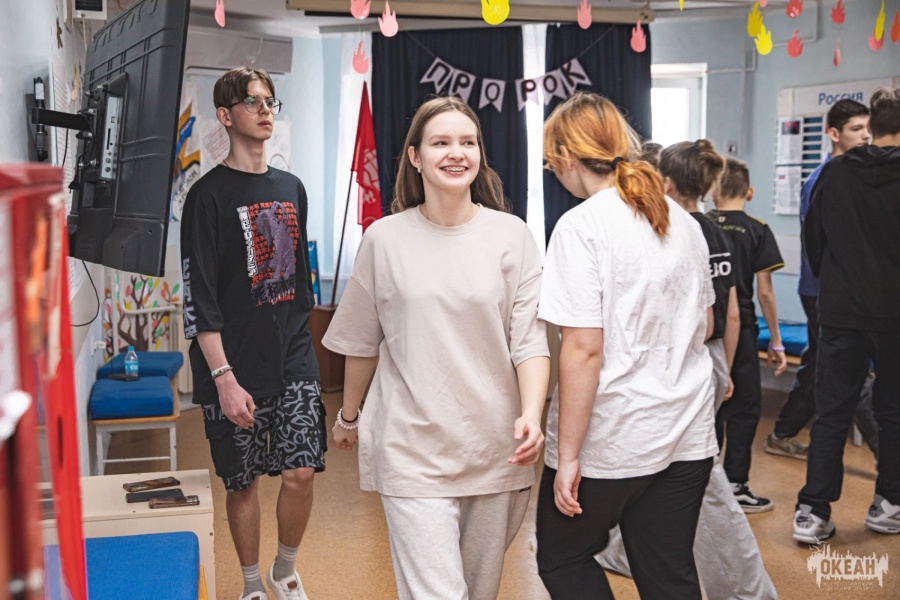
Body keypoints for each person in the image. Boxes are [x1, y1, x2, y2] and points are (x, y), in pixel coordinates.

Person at [322, 96, 550, 600]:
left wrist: (533, 415)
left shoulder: (512, 236)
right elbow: (362, 339)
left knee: (478, 590)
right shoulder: (384, 239)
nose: (456, 153)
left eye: (468, 142)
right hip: (410, 447)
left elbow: (529, 341)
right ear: (415, 156)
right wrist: (349, 417)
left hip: (496, 446)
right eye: (440, 142)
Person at [536, 92, 718, 600]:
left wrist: (567, 455)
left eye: (552, 162)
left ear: (566, 156)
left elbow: (583, 349)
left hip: (613, 439)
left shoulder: (581, 226)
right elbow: (705, 324)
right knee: (668, 575)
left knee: (563, 557)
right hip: (685, 432)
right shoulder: (683, 221)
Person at [595, 139, 777, 599]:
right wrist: (726, 369)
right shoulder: (715, 232)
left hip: (686, 359)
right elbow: (730, 315)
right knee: (667, 469)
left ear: (666, 182)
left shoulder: (675, 229)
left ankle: (746, 588)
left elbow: (708, 317)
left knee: (696, 474)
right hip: (706, 359)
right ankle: (624, 551)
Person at [181, 68, 324, 600]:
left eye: (270, 101)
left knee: (301, 473)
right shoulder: (206, 197)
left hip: (291, 354)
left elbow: (299, 283)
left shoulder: (291, 188)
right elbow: (199, 296)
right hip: (231, 363)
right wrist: (223, 377)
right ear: (225, 115)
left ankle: (283, 571)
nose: (266, 110)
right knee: (242, 482)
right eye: (252, 102)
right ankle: (249, 586)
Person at [794, 86, 900, 543]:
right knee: (894, 412)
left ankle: (812, 512)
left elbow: (813, 243)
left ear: (872, 127)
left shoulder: (833, 174)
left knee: (832, 412)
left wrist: (839, 283)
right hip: (894, 314)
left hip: (840, 311)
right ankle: (890, 503)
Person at [766, 99, 879, 461]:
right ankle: (889, 456)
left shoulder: (854, 175)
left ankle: (782, 433)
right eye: (856, 129)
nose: (865, 136)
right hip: (823, 291)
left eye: (867, 129)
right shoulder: (822, 179)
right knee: (851, 371)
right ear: (833, 134)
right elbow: (821, 243)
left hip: (841, 289)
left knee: (818, 364)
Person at [708, 158, 788, 513]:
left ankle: (705, 483)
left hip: (706, 327)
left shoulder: (700, 225)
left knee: (709, 405)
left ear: (713, 191)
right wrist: (776, 340)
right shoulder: (757, 229)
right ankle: (736, 484)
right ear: (750, 192)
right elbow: (765, 292)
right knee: (744, 407)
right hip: (741, 331)